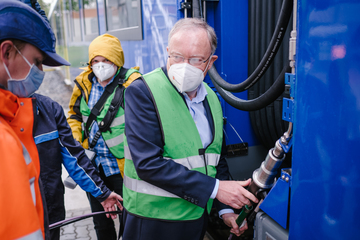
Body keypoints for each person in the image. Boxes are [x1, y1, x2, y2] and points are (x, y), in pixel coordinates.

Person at [122, 18, 259, 240]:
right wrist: (217, 189)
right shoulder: (143, 92)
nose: (183, 66)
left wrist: (224, 209)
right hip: (152, 222)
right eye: (176, 57)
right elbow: (147, 164)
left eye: (195, 59)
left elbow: (215, 159)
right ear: (167, 51)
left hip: (195, 220)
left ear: (210, 62)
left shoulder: (212, 99)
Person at [0, 1, 123, 239]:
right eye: (36, 62)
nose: (40, 73)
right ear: (6, 52)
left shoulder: (48, 111)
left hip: (50, 222)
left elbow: (75, 158)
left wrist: (102, 193)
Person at [67, 33, 141, 240]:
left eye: (106, 60)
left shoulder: (132, 84)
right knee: (101, 221)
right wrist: (75, 140)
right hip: (94, 166)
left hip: (123, 167)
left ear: (116, 60)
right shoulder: (84, 83)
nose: (101, 66)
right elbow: (74, 115)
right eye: (96, 61)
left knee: (129, 221)